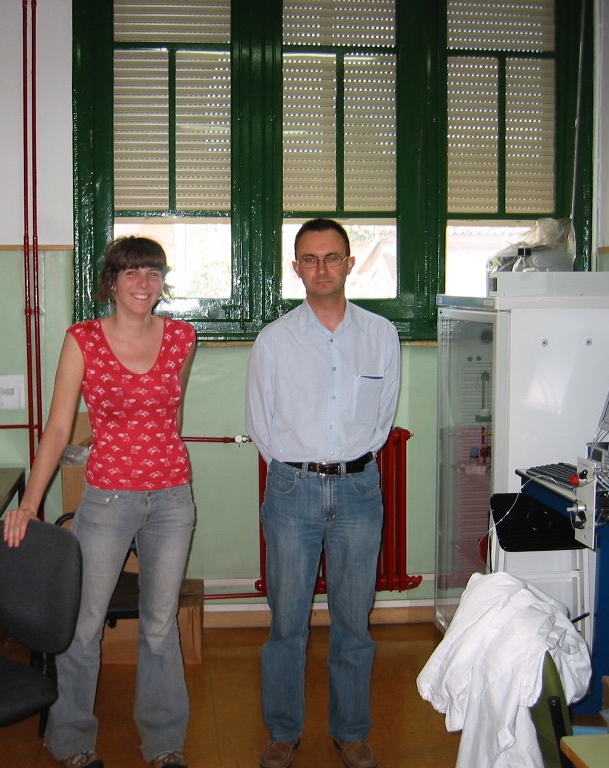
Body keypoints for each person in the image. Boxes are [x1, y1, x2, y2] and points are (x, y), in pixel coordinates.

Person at [3, 236, 197, 768]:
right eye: (131, 272)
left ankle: (164, 742)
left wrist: (159, 460)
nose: (143, 283)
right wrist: (30, 503)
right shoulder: (83, 339)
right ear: (111, 282)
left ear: (162, 282)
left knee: (160, 625)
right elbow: (58, 426)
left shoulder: (182, 337)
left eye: (153, 273)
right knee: (84, 624)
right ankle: (70, 740)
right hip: (108, 499)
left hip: (172, 499)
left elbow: (173, 415)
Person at [245, 218, 400, 768]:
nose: (322, 268)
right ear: (296, 268)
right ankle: (283, 730)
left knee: (354, 621)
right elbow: (260, 423)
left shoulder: (380, 335)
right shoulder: (274, 340)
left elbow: (383, 417)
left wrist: (349, 464)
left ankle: (350, 730)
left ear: (349, 263)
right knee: (287, 621)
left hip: (359, 489)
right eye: (310, 259)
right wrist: (300, 470)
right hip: (293, 490)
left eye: (332, 257)